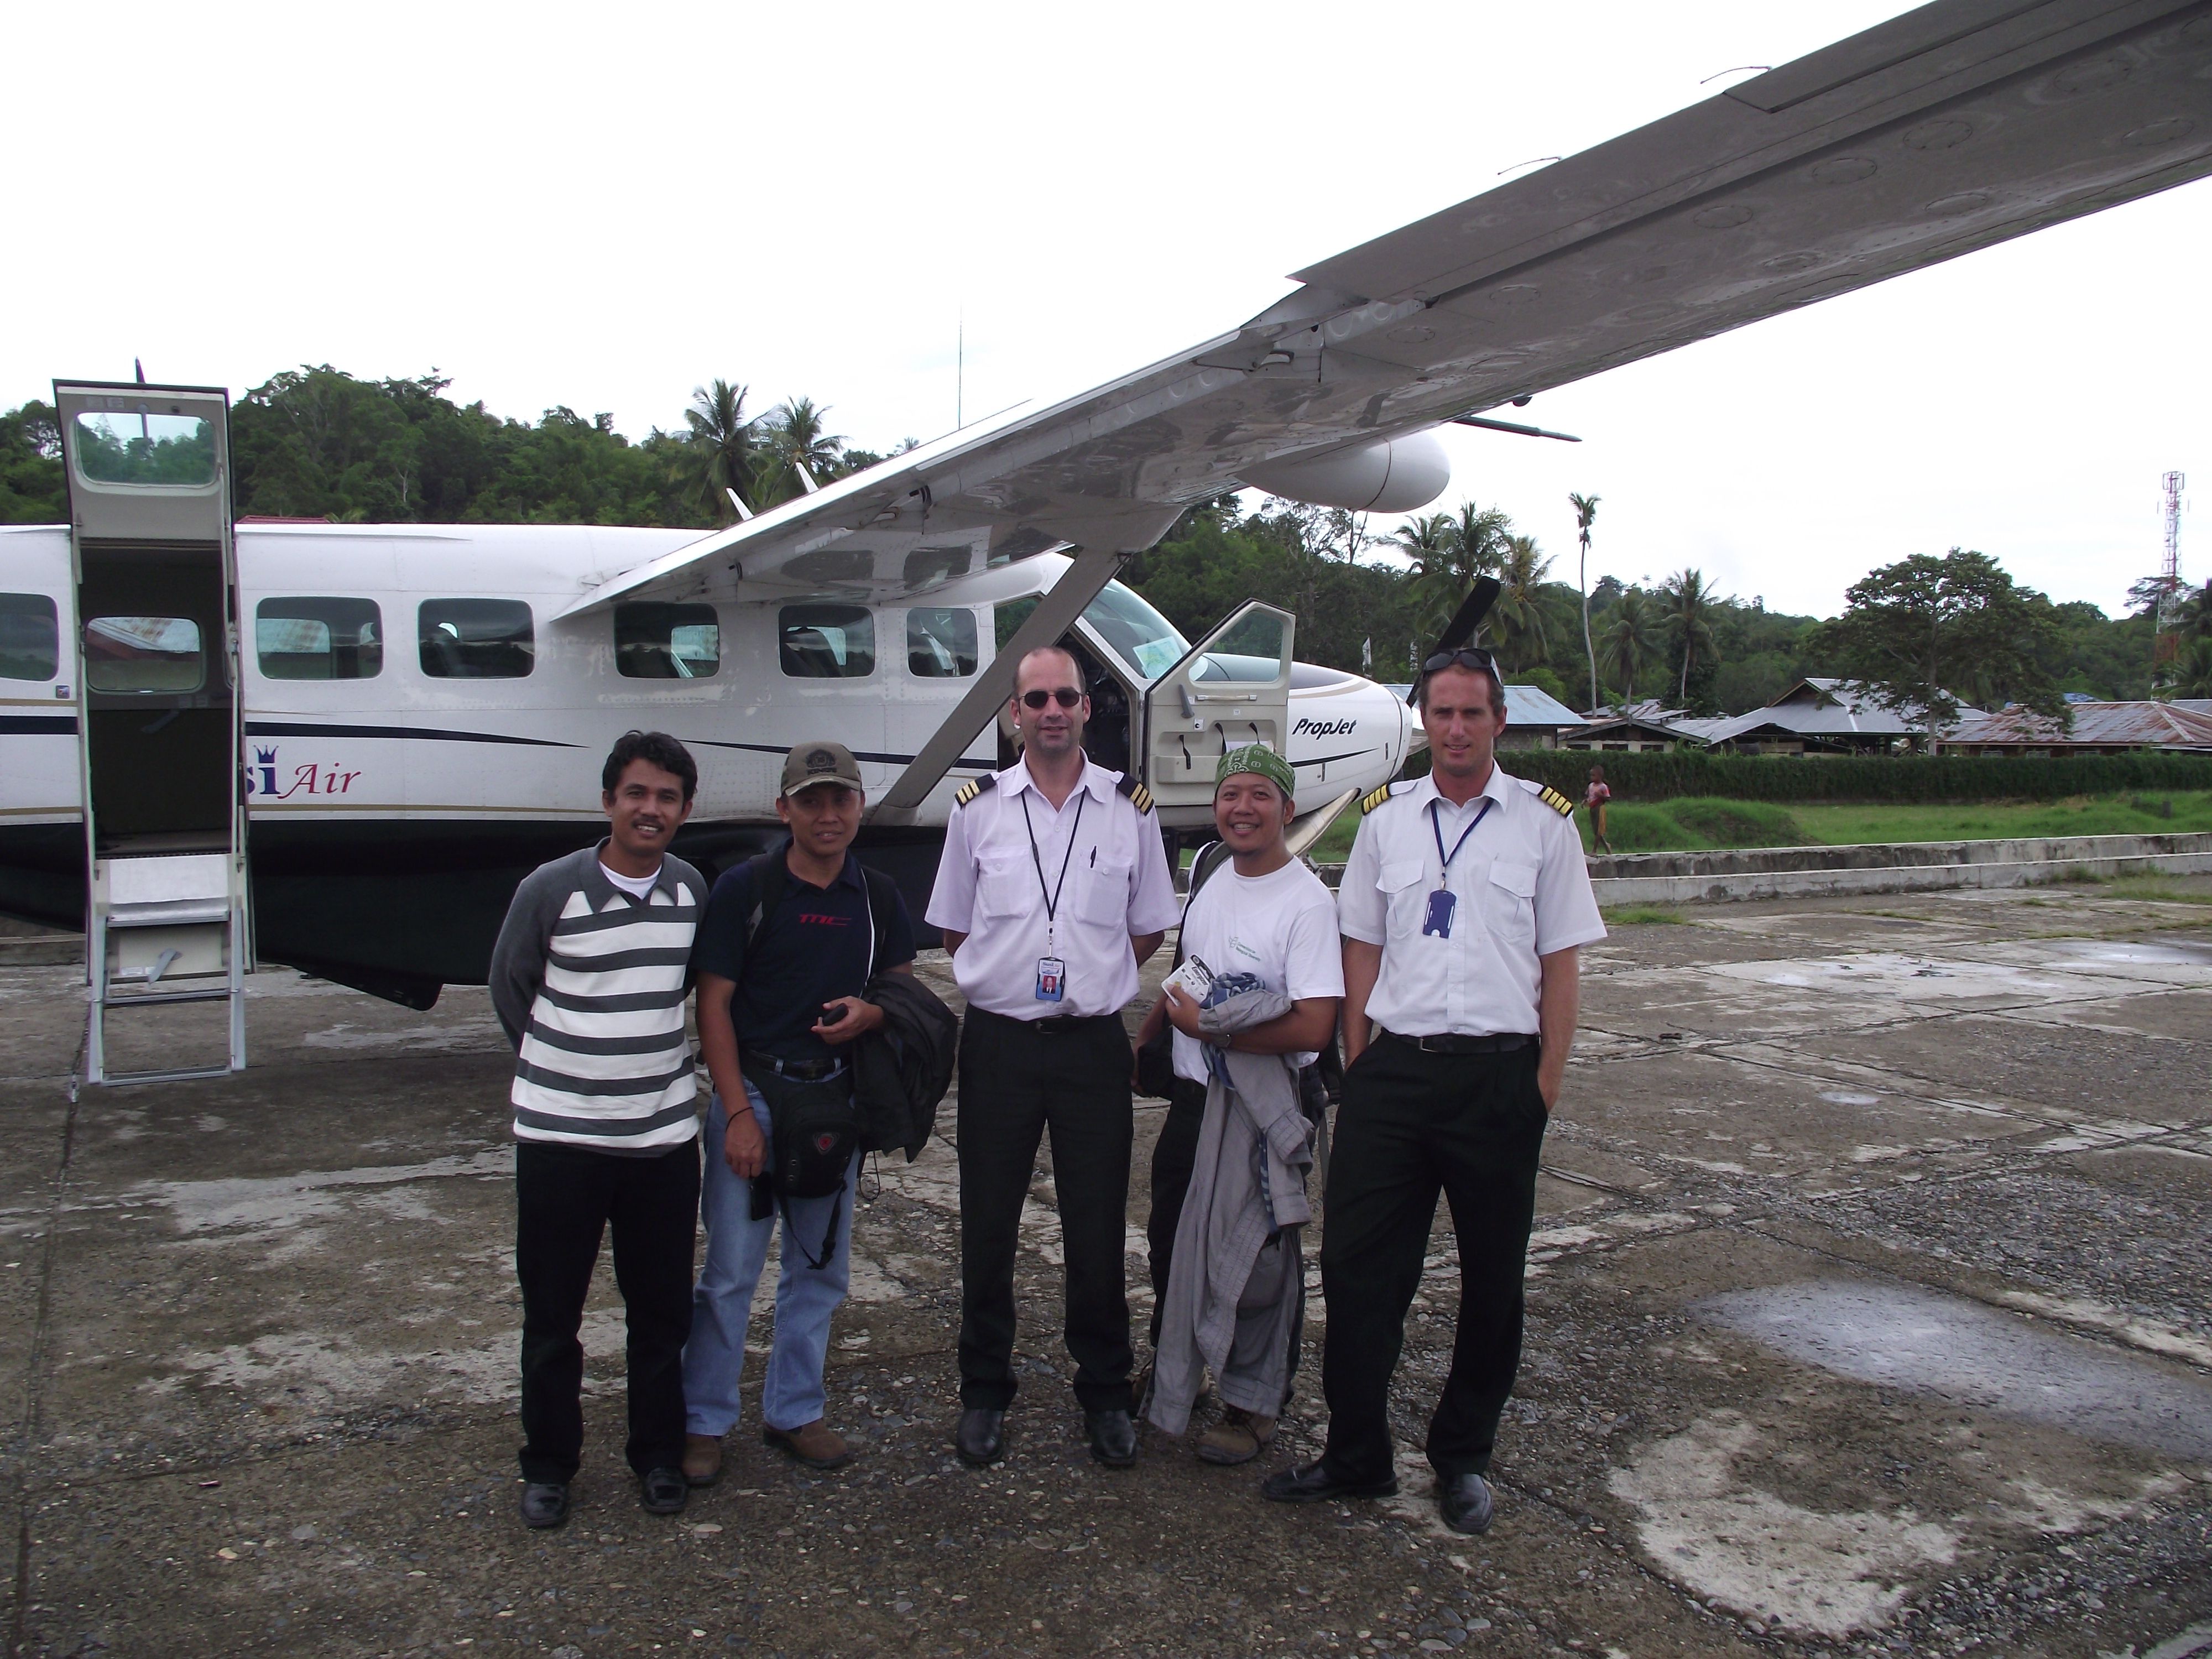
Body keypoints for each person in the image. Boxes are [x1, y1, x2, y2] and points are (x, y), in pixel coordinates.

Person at [1261, 648, 1605, 1534]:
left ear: (1498, 722)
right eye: (1442, 714)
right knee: (1358, 1270)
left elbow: (1559, 964)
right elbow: (1362, 947)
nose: (1456, 729)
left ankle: (1463, 1458)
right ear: (1426, 723)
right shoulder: (1387, 820)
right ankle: (1358, 1454)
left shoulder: (1544, 825)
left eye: (1472, 713)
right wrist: (1361, 1057)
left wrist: (1544, 1086)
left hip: (1499, 1078)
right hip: (1395, 1075)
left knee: (1494, 1282)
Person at [926, 645, 1181, 1468]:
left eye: (1066, 696)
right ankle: (984, 1391)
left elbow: (1146, 927)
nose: (1052, 710)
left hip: (1089, 1048)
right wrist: (1016, 980)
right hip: (1000, 1044)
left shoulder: (1129, 809)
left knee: (1098, 1224)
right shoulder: (978, 811)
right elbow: (957, 928)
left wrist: (1089, 979)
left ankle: (1104, 1391)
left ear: (1086, 708)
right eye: (1035, 698)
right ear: (1015, 714)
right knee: (989, 1226)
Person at [680, 741, 917, 1486]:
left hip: (833, 1100)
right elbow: (712, 1005)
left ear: (859, 808)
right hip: (754, 1089)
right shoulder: (746, 890)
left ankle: (794, 1411)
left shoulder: (878, 897)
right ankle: (704, 1422)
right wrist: (737, 1114)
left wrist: (871, 1016)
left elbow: (902, 996)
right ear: (784, 809)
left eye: (840, 799)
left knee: (819, 1268)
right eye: (810, 800)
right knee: (729, 1273)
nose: (827, 814)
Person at [489, 730, 707, 1529]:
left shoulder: (691, 891)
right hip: (561, 1143)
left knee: (661, 1316)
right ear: (609, 800)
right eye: (637, 794)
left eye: (668, 798)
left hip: (661, 1144)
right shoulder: (551, 888)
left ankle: (656, 1455)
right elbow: (511, 988)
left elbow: (686, 990)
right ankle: (548, 1465)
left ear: (685, 810)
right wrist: (564, 1073)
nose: (651, 810)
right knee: (553, 1317)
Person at [1137, 744, 1341, 1464]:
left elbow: (1317, 1025)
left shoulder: (1309, 904)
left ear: (1288, 809)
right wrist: (1158, 1030)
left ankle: (1254, 1407)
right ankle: (1178, 1372)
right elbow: (1186, 969)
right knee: (1174, 1242)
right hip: (1196, 1099)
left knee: (1260, 1261)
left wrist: (1204, 1025)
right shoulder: (1214, 875)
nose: (1243, 808)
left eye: (1260, 795)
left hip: (1266, 1111)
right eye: (1230, 794)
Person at [1584, 764, 1614, 854]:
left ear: (1600, 776)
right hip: (1592, 808)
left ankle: (1594, 850)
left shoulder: (1603, 787)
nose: (1592, 777)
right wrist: (1585, 801)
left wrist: (1601, 796)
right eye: (1591, 775)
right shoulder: (1591, 786)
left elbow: (1608, 798)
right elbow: (1589, 795)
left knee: (1598, 830)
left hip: (1599, 808)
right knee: (1596, 831)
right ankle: (1607, 846)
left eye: (1594, 775)